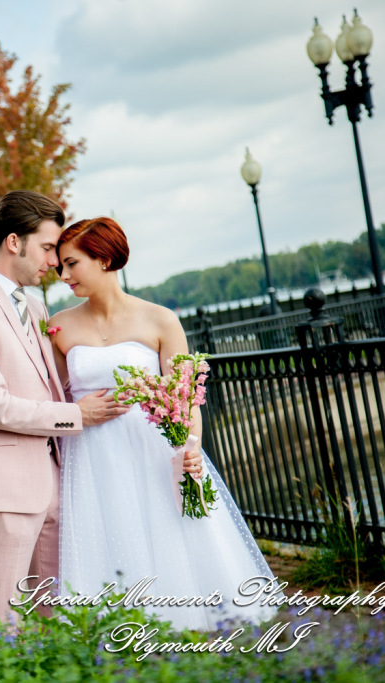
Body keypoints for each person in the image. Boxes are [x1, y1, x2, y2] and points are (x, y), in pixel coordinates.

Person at [48, 216, 277, 630]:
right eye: (60, 266)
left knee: (171, 536)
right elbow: (50, 397)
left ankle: (187, 627)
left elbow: (185, 398)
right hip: (92, 457)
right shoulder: (59, 327)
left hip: (154, 451)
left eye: (71, 264)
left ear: (103, 259)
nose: (63, 275)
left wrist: (190, 447)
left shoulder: (160, 320)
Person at [0, 190, 137, 627]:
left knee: (56, 617)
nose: (55, 261)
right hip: (3, 488)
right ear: (14, 242)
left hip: (54, 480)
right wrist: (76, 416)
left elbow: (48, 384)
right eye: (47, 248)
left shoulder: (34, 304)